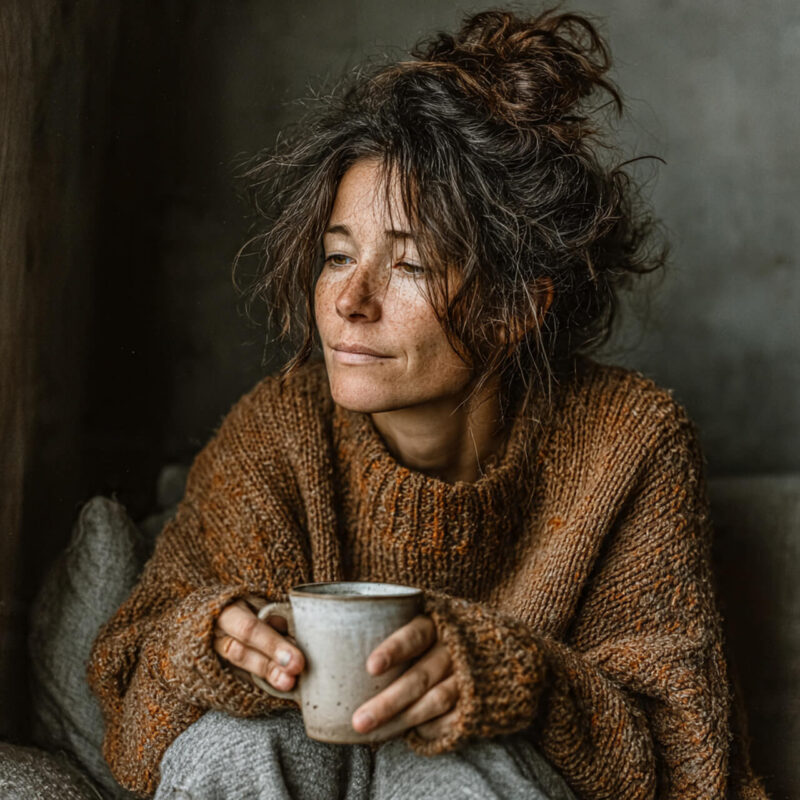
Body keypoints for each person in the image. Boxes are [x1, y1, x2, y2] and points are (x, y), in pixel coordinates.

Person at [87, 8, 769, 800]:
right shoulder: (277, 432)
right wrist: (204, 645)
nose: (349, 300)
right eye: (336, 256)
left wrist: (516, 678)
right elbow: (132, 731)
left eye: (408, 266)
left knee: (463, 763)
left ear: (516, 308)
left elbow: (686, 764)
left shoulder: (629, 443)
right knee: (239, 741)